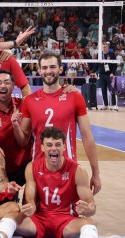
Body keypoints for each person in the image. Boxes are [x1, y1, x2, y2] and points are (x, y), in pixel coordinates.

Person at [12, 53, 101, 194]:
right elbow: (23, 141)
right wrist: (16, 126)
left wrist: (96, 173)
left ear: (60, 69)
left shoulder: (74, 97)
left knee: (72, 215)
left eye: (52, 67)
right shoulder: (29, 101)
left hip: (68, 169)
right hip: (38, 170)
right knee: (33, 213)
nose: (48, 71)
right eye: (44, 67)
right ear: (39, 70)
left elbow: (87, 137)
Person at [0, 71, 32, 185]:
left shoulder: (24, 105)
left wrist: (16, 125)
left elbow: (23, 143)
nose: (3, 85)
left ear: (13, 87)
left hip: (21, 167)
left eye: (7, 82)